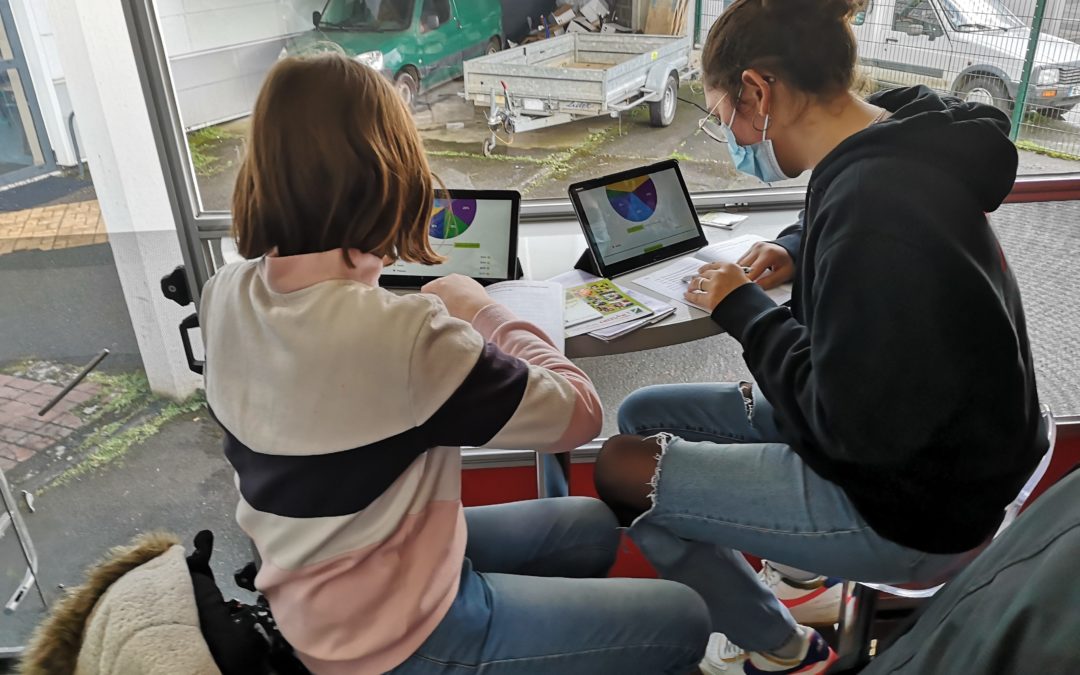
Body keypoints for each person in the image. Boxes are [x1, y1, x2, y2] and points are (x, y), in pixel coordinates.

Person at [199, 54, 709, 675]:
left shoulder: (225, 291)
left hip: (319, 585)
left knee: (590, 525)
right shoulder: (403, 335)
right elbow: (579, 414)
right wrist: (480, 307)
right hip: (392, 639)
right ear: (386, 176)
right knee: (683, 618)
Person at [592, 0, 1048, 673]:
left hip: (914, 506)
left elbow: (842, 418)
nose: (734, 136)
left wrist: (743, 307)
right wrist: (797, 248)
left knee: (620, 470)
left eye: (725, 118)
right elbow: (862, 238)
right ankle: (804, 578)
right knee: (640, 415)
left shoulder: (872, 210)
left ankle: (786, 649)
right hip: (938, 440)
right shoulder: (899, 136)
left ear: (758, 89)